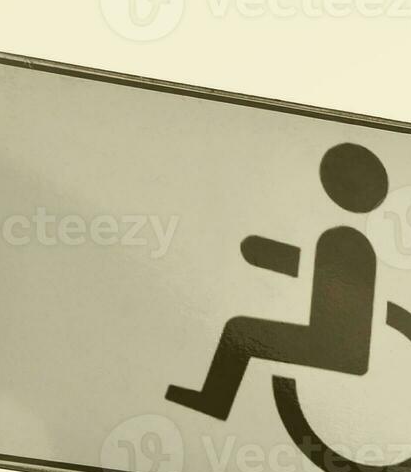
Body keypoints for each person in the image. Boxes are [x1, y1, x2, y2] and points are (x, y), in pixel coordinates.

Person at [167, 143, 390, 421]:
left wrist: (261, 251)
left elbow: (310, 270)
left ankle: (214, 401)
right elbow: (308, 269)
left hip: (336, 345)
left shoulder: (344, 241)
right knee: (242, 330)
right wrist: (262, 252)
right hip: (332, 337)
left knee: (241, 331)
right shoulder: (350, 240)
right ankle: (214, 400)